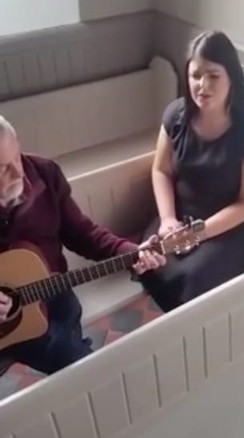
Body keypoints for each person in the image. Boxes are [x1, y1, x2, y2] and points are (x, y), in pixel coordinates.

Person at [0, 115, 165, 375]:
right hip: (8, 325)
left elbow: (83, 234)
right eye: (1, 168)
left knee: (82, 370)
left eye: (16, 158)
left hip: (52, 295)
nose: (16, 173)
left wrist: (133, 253)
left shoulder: (45, 172)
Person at [138, 30, 244, 313]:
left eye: (213, 76)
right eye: (195, 75)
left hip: (228, 228)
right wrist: (167, 220)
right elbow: (161, 170)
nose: (202, 85)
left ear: (232, 78)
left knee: (194, 279)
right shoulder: (175, 115)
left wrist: (199, 233)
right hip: (180, 218)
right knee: (148, 258)